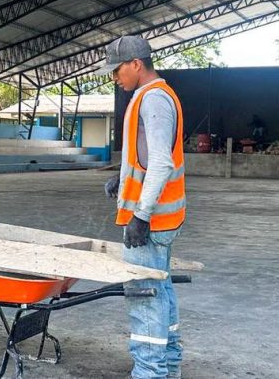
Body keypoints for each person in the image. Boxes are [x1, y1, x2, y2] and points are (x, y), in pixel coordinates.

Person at [99, 36, 186, 378]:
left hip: (152, 223)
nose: (114, 78)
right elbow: (146, 158)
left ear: (136, 63)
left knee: (144, 297)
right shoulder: (148, 96)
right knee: (160, 288)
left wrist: (140, 215)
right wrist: (123, 180)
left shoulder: (154, 100)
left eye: (117, 69)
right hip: (158, 219)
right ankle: (170, 367)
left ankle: (150, 373)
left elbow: (162, 164)